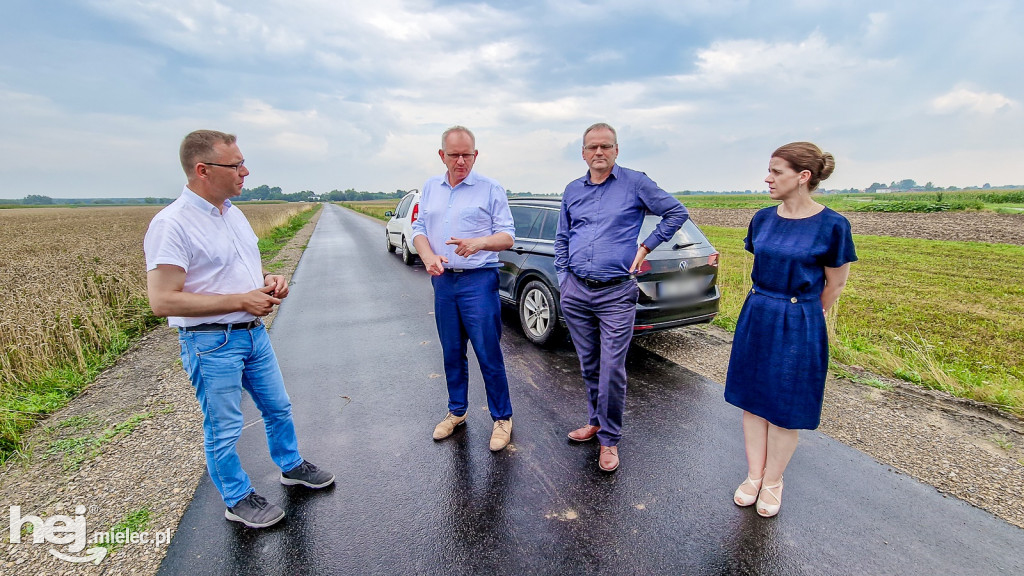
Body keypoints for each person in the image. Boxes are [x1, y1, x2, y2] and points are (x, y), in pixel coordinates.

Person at [144, 130, 334, 529]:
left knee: (278, 406)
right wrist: (240, 300)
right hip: (211, 342)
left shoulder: (233, 213)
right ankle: (237, 498)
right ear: (202, 170)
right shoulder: (172, 224)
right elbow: (162, 301)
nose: (244, 171)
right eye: (235, 165)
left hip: (252, 334)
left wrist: (269, 279)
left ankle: (290, 465)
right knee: (224, 426)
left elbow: (233, 272)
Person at [725, 141, 857, 517]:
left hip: (800, 319)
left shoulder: (833, 226)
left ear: (803, 176)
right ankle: (753, 476)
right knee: (753, 401)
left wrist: (804, 318)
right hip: (758, 312)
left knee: (784, 404)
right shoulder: (762, 219)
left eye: (776, 171)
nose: (768, 178)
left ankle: (773, 481)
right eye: (769, 170)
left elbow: (836, 285)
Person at [555, 123, 689, 472]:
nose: (599, 152)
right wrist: (564, 279)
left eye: (606, 146)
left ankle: (609, 440)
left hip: (616, 292)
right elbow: (562, 238)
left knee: (612, 369)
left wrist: (646, 246)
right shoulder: (572, 190)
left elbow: (676, 212)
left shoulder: (635, 183)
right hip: (577, 291)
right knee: (589, 364)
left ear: (617, 150)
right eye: (592, 147)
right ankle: (595, 422)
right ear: (583, 153)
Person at [411, 126, 517, 452]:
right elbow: (418, 230)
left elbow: (507, 236)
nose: (460, 161)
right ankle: (456, 412)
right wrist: (428, 255)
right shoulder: (430, 188)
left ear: (475, 155)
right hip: (443, 281)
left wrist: (480, 242)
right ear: (441, 155)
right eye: (454, 154)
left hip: (478, 280)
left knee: (488, 352)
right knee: (452, 352)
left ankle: (502, 419)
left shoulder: (490, 189)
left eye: (466, 154)